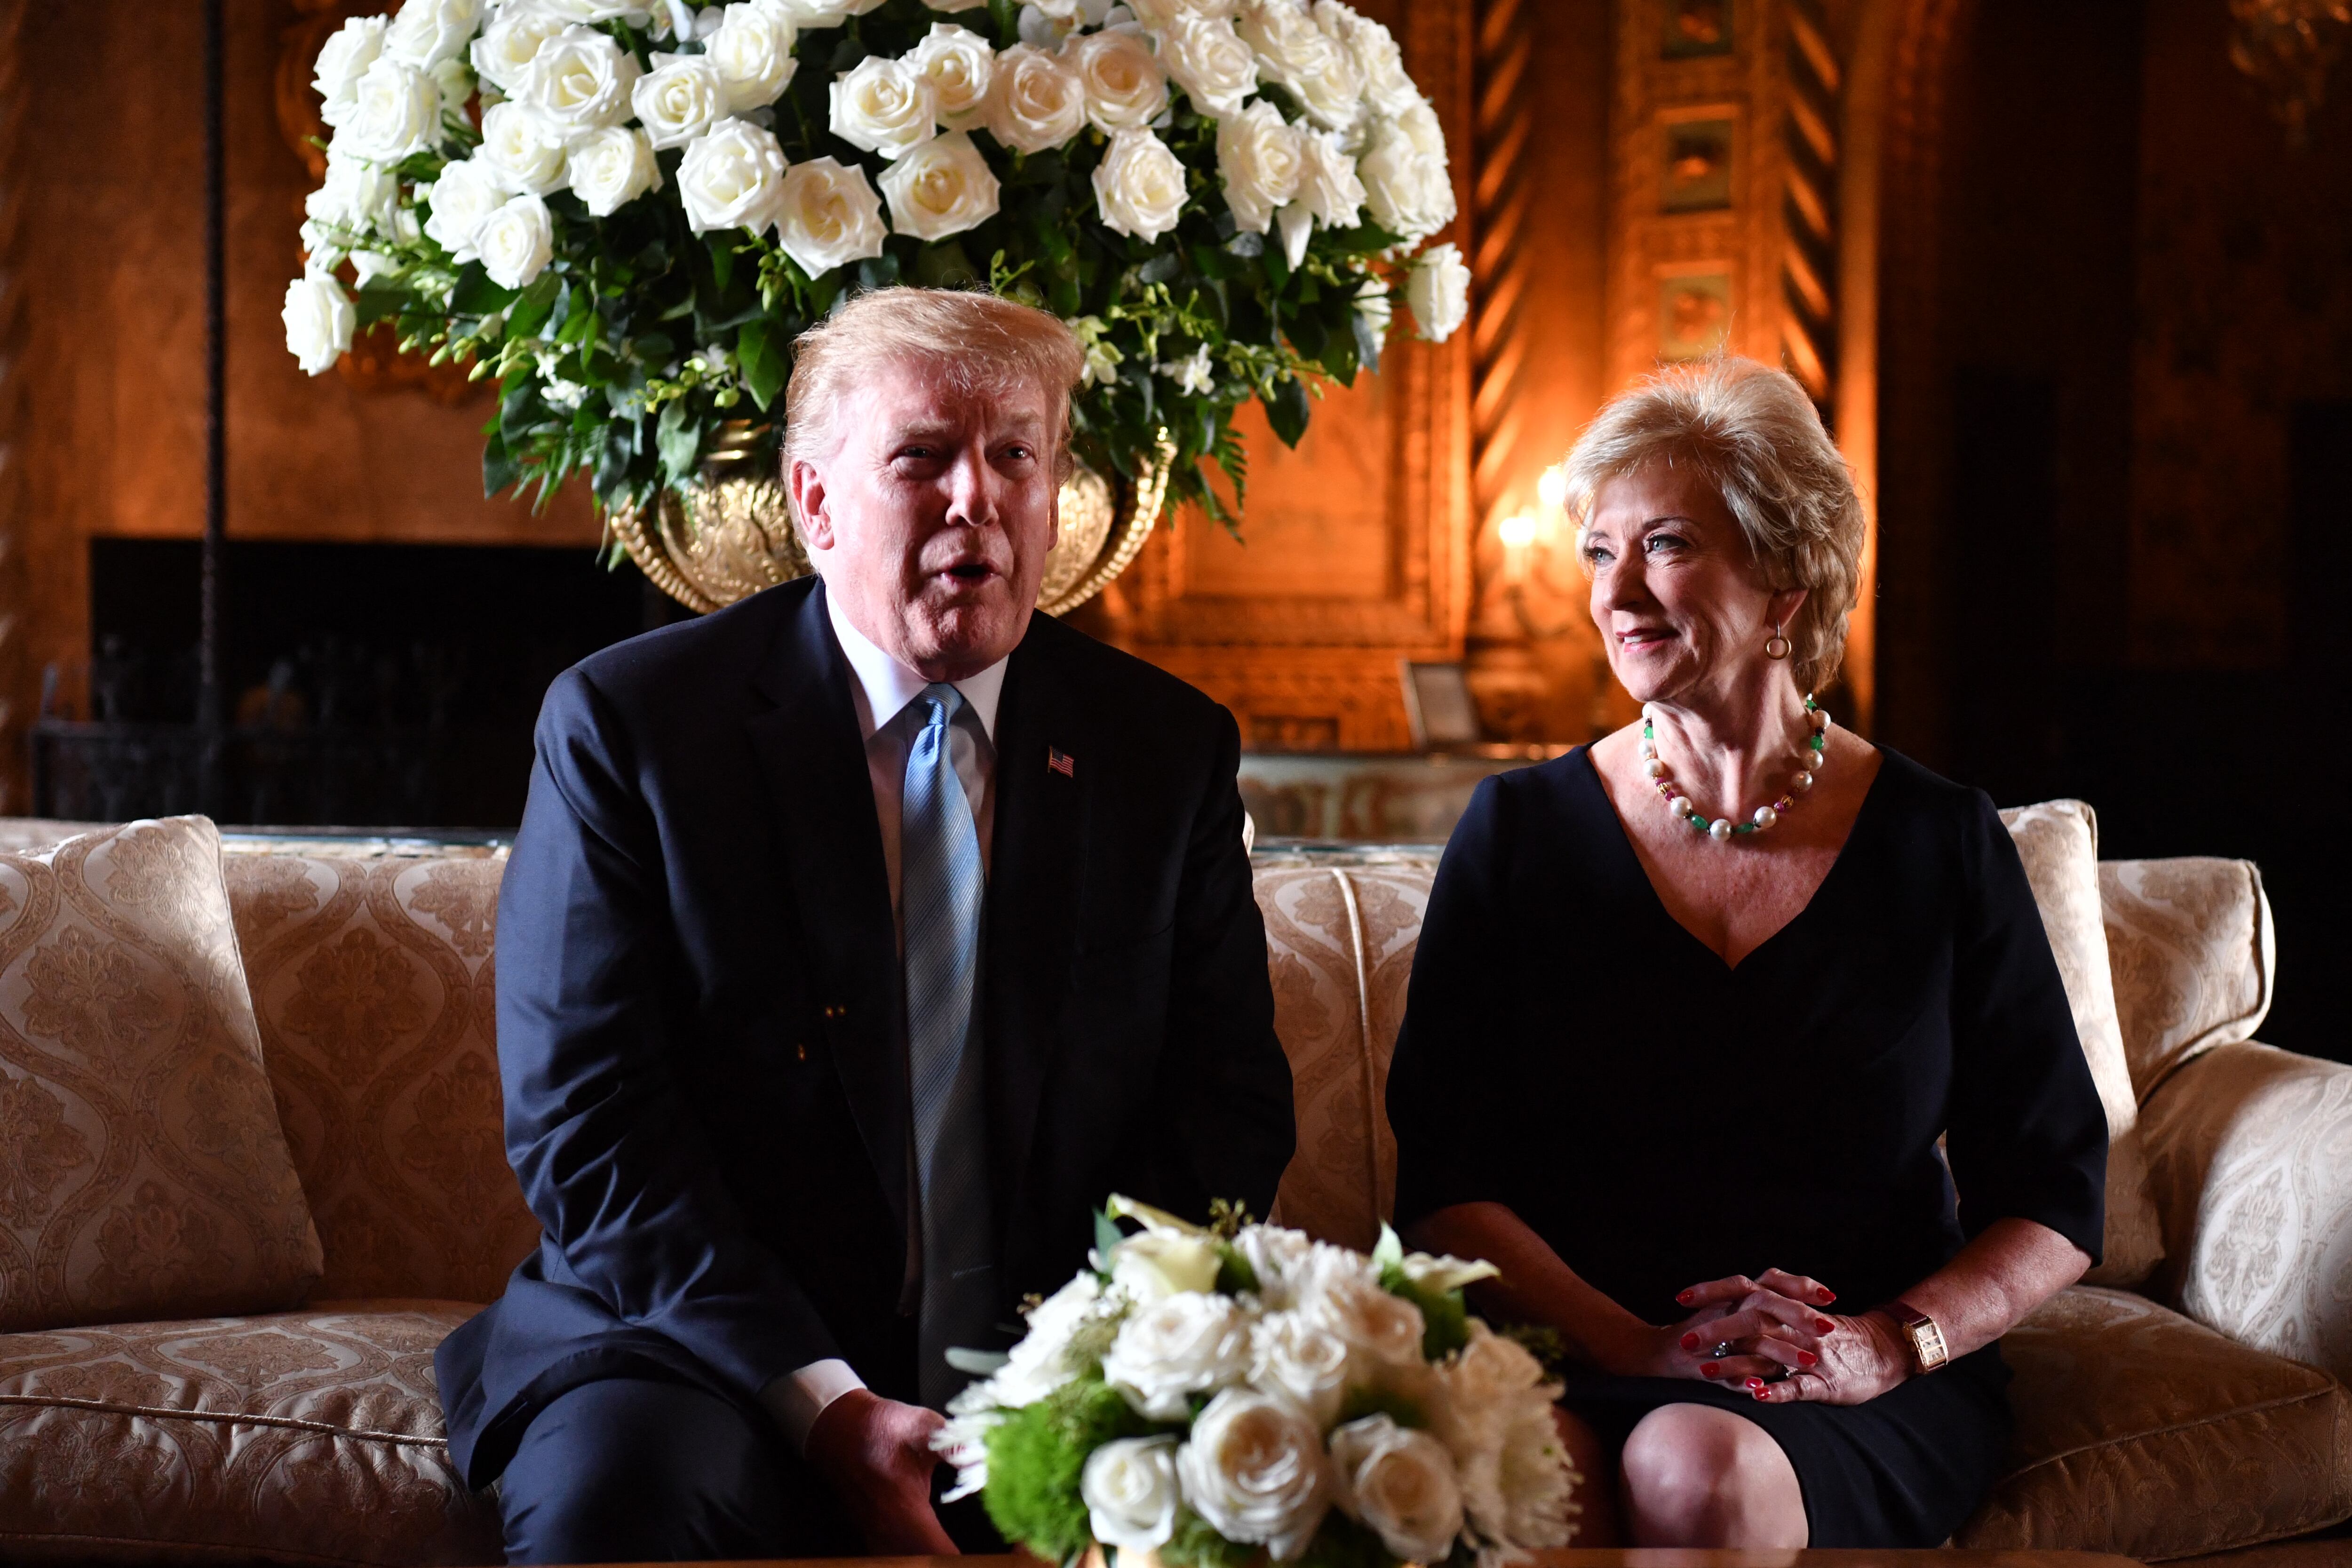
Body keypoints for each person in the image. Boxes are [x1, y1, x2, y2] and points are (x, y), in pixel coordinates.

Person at [435, 287, 1296, 1564]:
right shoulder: (637, 727)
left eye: (1018, 454)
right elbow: (590, 1128)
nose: (978, 502)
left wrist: (1076, 1377)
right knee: (617, 1497)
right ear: (816, 501)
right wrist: (827, 1399)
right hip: (706, 1346)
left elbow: (1226, 1113)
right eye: (924, 458)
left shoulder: (1161, 748)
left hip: (1059, 1350)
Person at [1386, 356, 2106, 1550]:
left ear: (1785, 582)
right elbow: (1448, 1187)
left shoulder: (1941, 842)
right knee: (1520, 1477)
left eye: (1665, 546)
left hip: (1851, 1370)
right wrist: (1635, 1344)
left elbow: (2053, 1194)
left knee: (1694, 1462)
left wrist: (1887, 1342)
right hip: (1571, 1340)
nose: (1618, 592)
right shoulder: (1517, 833)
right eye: (1597, 553)